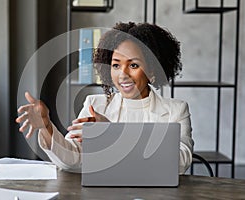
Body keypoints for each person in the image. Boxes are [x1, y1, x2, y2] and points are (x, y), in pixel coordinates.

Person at [16, 22, 194, 174]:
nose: (122, 74)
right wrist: (46, 126)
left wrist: (113, 134)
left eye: (133, 65)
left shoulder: (175, 111)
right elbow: (72, 159)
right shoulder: (95, 105)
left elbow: (180, 162)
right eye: (116, 65)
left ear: (152, 70)